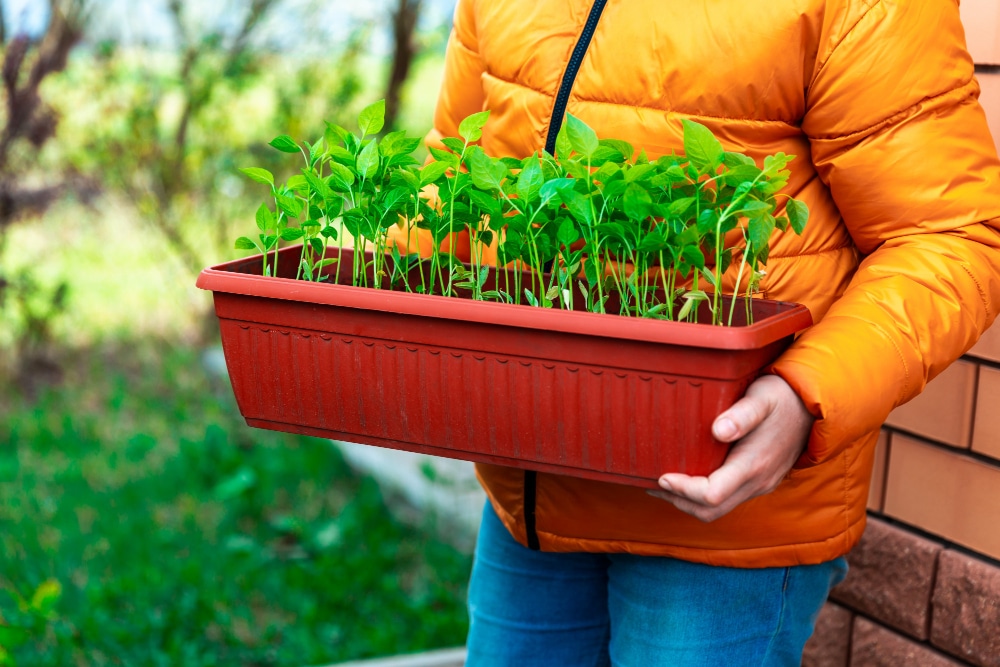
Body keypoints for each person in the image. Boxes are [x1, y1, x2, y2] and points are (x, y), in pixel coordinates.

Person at [408, 1, 1000, 664]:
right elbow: (454, 172)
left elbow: (950, 237)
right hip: (534, 481)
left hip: (722, 512)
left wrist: (808, 396)